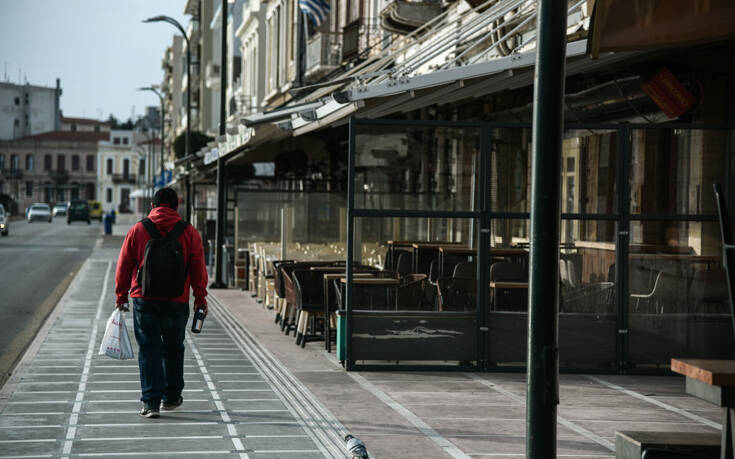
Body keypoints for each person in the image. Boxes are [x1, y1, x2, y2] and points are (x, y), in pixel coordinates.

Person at [114, 187, 208, 418]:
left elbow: (124, 264)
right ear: (176, 207)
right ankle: (172, 396)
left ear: (153, 206)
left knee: (149, 349)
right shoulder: (189, 232)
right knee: (174, 347)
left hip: (144, 299)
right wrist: (200, 297)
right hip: (177, 300)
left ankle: (151, 403)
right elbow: (198, 268)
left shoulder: (138, 229)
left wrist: (121, 296)